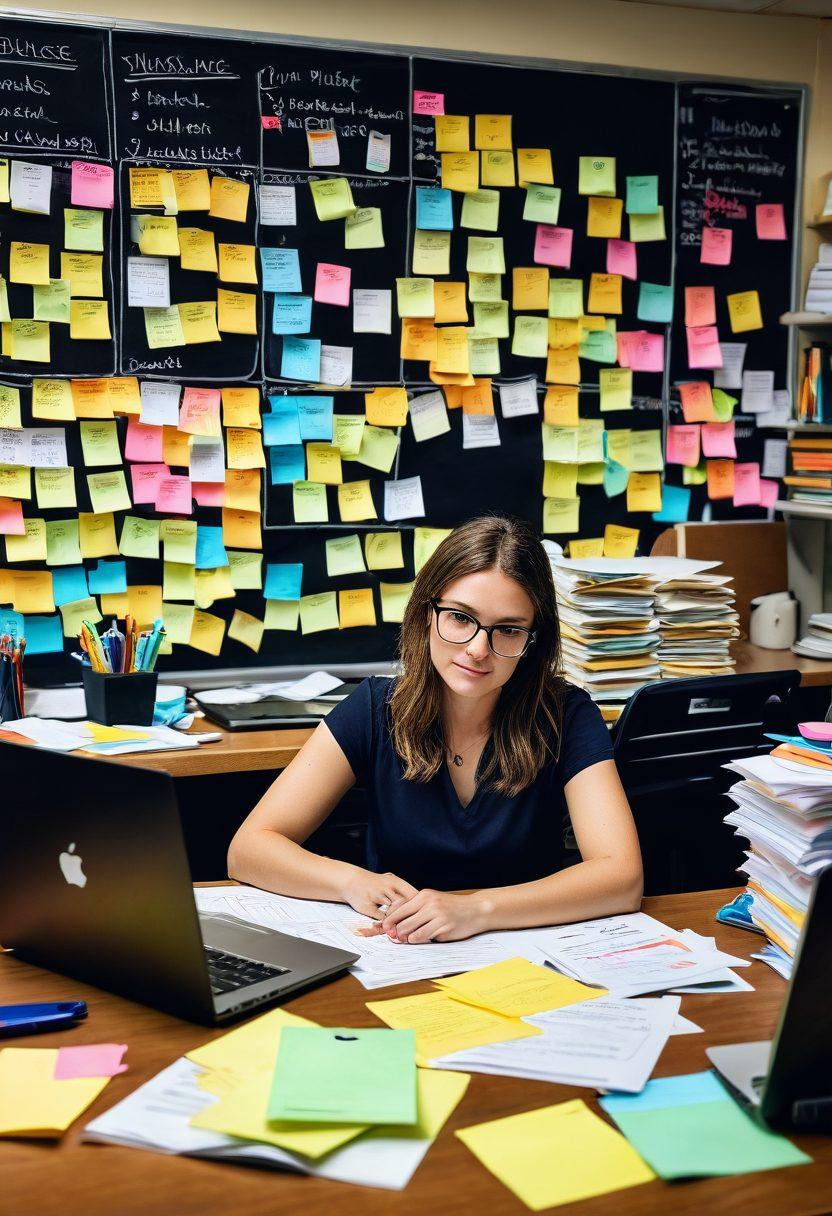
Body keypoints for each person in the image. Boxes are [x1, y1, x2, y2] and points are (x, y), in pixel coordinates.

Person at [228, 515, 643, 943]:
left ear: (533, 640)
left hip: (529, 954)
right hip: (398, 952)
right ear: (428, 613)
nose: (478, 649)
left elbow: (622, 876)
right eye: (461, 618)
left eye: (508, 630)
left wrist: (477, 909)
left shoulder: (566, 714)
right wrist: (349, 881)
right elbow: (250, 849)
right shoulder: (375, 708)